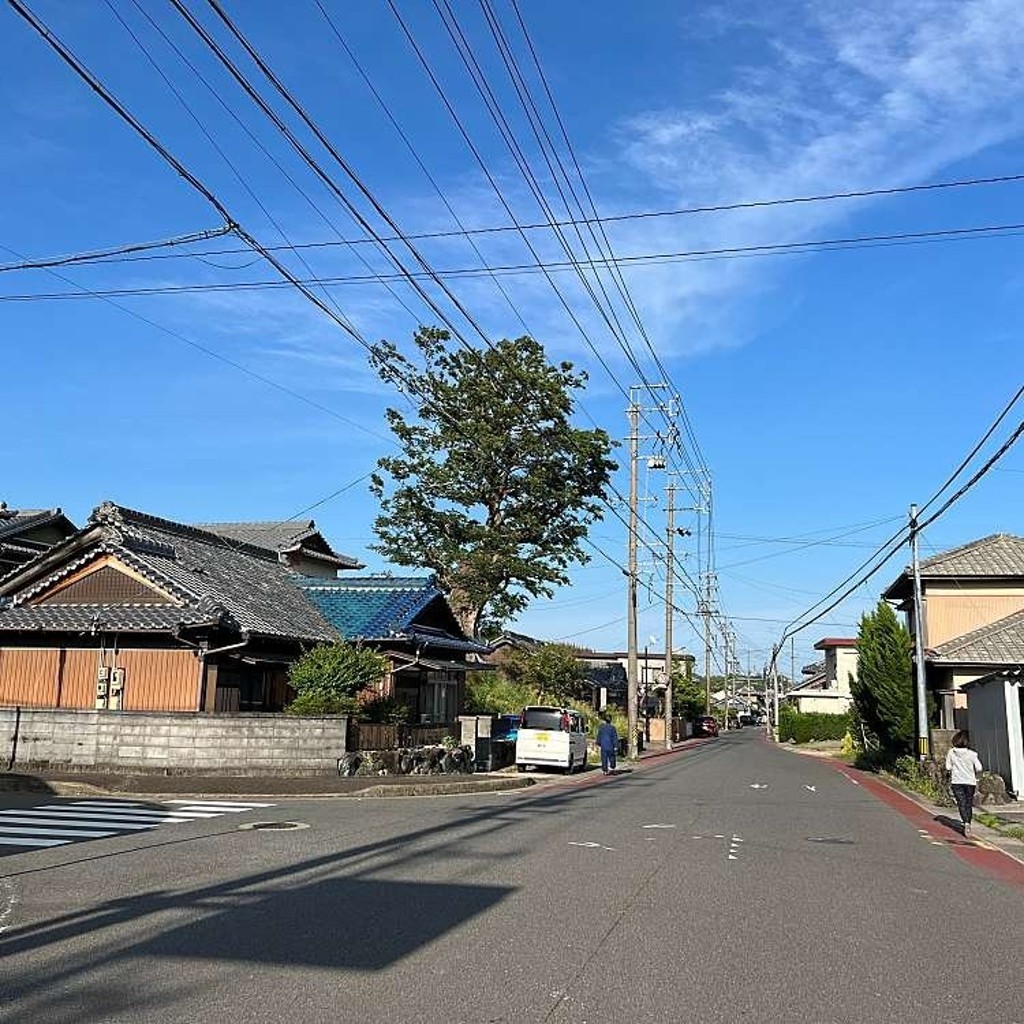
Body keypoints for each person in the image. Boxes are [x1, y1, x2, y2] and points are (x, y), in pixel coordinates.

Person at [945, 730, 983, 838]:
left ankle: (965, 823)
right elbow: (979, 768)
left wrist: (954, 768)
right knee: (968, 803)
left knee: (961, 803)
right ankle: (968, 823)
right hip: (970, 782)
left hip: (957, 781)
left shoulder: (951, 752)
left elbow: (948, 767)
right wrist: (976, 776)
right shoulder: (972, 754)